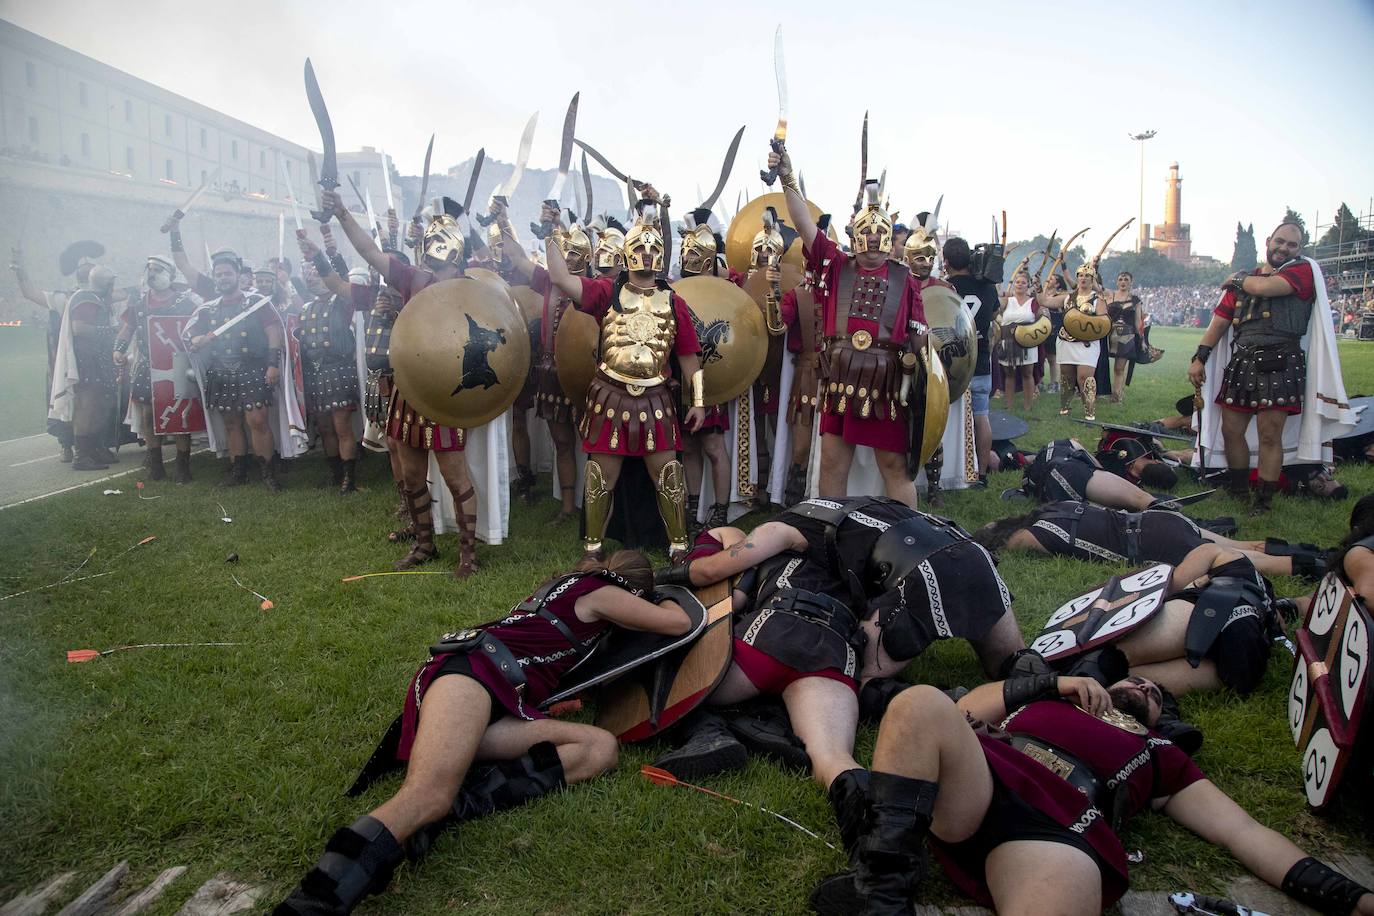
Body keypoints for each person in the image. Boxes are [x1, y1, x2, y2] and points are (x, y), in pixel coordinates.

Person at [274, 551, 691, 916]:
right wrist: (671, 590)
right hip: (471, 676)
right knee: (425, 796)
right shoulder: (602, 588)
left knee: (599, 748)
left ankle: (460, 803)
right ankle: (312, 903)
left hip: (503, 698)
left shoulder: (565, 587)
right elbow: (676, 622)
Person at [810, 672, 1374, 916]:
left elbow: (1243, 832)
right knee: (916, 705)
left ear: (1160, 720)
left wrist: (1348, 898)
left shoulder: (1160, 757)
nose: (1142, 686)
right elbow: (955, 716)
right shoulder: (1047, 702)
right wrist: (1048, 684)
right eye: (1134, 681)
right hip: (982, 783)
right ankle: (882, 902)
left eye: (1153, 695)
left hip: (1056, 836)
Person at [661, 496, 1027, 681]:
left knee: (858, 680)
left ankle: (953, 707)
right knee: (1016, 669)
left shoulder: (781, 527)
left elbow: (712, 570)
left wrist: (661, 576)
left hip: (917, 572)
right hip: (971, 553)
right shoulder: (845, 508)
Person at [322, 189, 482, 577]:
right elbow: (371, 254)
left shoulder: (471, 288)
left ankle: (468, 555)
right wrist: (343, 214)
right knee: (411, 473)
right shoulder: (414, 279)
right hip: (409, 390)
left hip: (444, 392)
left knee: (454, 474)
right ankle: (425, 544)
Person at [538, 195, 706, 561]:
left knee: (669, 476)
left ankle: (679, 546)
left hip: (656, 398)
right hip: (610, 395)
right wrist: (551, 237)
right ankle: (592, 551)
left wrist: (698, 402)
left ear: (660, 255)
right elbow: (561, 278)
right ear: (627, 252)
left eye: (653, 248)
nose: (646, 254)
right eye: (640, 247)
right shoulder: (605, 292)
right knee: (600, 479)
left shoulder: (673, 301)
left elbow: (689, 358)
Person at [770, 141, 929, 507]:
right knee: (832, 462)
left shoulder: (907, 280)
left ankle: (910, 537)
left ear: (889, 240)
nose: (872, 238)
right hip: (839, 378)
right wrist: (787, 176)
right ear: (855, 236)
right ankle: (832, 534)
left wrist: (925, 385)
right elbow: (803, 223)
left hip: (886, 384)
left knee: (894, 465)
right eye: (865, 232)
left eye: (880, 233)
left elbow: (918, 340)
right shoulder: (835, 264)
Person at [1033, 543, 1288, 697]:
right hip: (1246, 654)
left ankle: (1044, 682)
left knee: (1110, 661)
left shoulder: (1213, 551)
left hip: (1216, 606)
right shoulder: (1265, 596)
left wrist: (1194, 583)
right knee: (1119, 676)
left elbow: (1167, 588)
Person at [1189, 222, 1323, 514]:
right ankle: (1238, 490)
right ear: (1268, 241)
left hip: (1281, 361)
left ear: (1299, 250)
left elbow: (1266, 287)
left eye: (1292, 245)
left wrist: (1237, 277)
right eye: (1280, 241)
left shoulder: (1301, 272)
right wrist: (1200, 356)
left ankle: (1263, 501)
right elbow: (1221, 321)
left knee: (1268, 435)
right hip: (1243, 361)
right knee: (1231, 429)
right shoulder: (1246, 281)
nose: (1284, 248)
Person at [496, 207, 587, 522]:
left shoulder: (594, 288)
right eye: (567, 254)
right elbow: (520, 258)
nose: (570, 259)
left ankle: (597, 504)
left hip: (588, 373)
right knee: (562, 441)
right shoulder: (548, 281)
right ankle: (566, 506)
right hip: (551, 371)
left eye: (576, 254)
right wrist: (502, 222)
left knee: (595, 444)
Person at [973, 500, 1324, 579]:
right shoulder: (1051, 508)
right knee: (1245, 546)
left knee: (1246, 562)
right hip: (1158, 521)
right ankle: (1311, 551)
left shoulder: (1031, 538)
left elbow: (1010, 542)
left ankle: (1318, 567)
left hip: (1150, 543)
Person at [183, 250, 285, 490]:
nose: (223, 278)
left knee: (257, 420)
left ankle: (267, 472)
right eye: (218, 274)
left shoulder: (256, 302)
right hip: (221, 370)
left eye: (227, 273)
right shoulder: (208, 309)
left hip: (252, 367)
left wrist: (272, 364)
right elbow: (190, 334)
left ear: (238, 275)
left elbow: (273, 333)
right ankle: (238, 472)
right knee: (231, 422)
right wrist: (197, 339)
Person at [112, 255, 201, 482]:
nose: (152, 273)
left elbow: (197, 330)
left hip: (179, 364)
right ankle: (156, 464)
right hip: (148, 365)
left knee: (181, 415)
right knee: (148, 415)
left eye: (158, 269)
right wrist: (118, 349)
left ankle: (183, 466)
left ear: (170, 275)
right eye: (149, 269)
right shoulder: (140, 305)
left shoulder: (185, 304)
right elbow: (127, 329)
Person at [293, 238, 364, 494]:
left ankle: (349, 478)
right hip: (316, 374)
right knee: (324, 428)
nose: (312, 279)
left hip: (338, 370)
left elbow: (343, 278)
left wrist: (328, 256)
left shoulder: (342, 302)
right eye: (309, 276)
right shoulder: (308, 308)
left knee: (342, 426)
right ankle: (334, 473)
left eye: (316, 274)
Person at [49, 264, 119, 470]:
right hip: (87, 362)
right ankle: (81, 454)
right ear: (108, 283)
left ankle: (95, 448)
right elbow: (79, 329)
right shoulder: (85, 298)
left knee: (100, 406)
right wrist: (110, 331)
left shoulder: (97, 299)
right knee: (86, 407)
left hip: (99, 361)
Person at [944, 237, 998, 485]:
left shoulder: (944, 288)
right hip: (982, 357)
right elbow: (995, 313)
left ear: (946, 261)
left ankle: (949, 472)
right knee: (981, 415)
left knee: (949, 419)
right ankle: (983, 473)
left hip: (953, 362)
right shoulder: (987, 286)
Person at [1038, 261, 1109, 421]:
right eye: (1081, 275)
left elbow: (1103, 321)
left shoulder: (1098, 300)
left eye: (1087, 276)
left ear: (1093, 279)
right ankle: (1064, 408)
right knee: (1067, 377)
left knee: (1085, 378)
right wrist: (1038, 287)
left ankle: (1089, 412)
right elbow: (1044, 302)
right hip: (1066, 342)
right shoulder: (1067, 297)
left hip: (1087, 343)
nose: (1083, 278)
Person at [995, 269, 1039, 413]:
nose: (1020, 285)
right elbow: (996, 307)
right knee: (1009, 374)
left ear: (1028, 285)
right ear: (1014, 284)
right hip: (1008, 341)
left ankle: (1028, 405)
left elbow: (1041, 319)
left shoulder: (1033, 302)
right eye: (1017, 282)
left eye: (1023, 282)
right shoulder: (1008, 300)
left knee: (1027, 373)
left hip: (1027, 341)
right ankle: (1008, 405)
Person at [1106, 271, 1143, 403]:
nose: (1123, 282)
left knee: (1119, 368)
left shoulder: (1135, 300)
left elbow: (1138, 321)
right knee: (1101, 364)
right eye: (1121, 279)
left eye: (1126, 279)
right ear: (1117, 282)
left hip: (1127, 336)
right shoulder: (1110, 295)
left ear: (1131, 282)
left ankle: (1116, 396)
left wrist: (1141, 339)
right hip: (1108, 335)